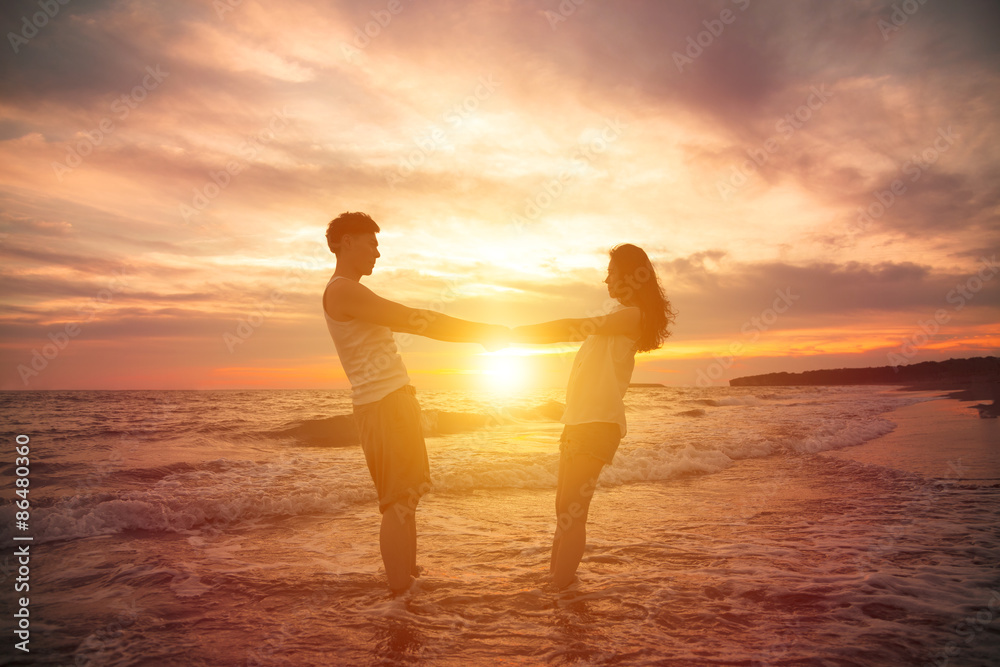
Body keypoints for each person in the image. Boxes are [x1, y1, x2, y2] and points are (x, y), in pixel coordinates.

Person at [322, 211, 509, 594]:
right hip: (384, 403)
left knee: (406, 499)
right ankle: (398, 597)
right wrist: (480, 333)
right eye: (371, 243)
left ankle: (407, 584)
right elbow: (414, 319)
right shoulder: (343, 289)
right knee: (398, 502)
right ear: (345, 242)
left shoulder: (349, 289)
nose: (377, 252)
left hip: (392, 401)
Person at [512, 244, 676, 588]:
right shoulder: (619, 318)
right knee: (564, 510)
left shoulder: (631, 316)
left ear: (631, 276)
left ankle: (560, 588)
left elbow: (575, 325)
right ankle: (556, 581)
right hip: (578, 422)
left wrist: (514, 335)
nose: (606, 280)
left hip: (598, 424)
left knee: (572, 512)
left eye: (611, 273)